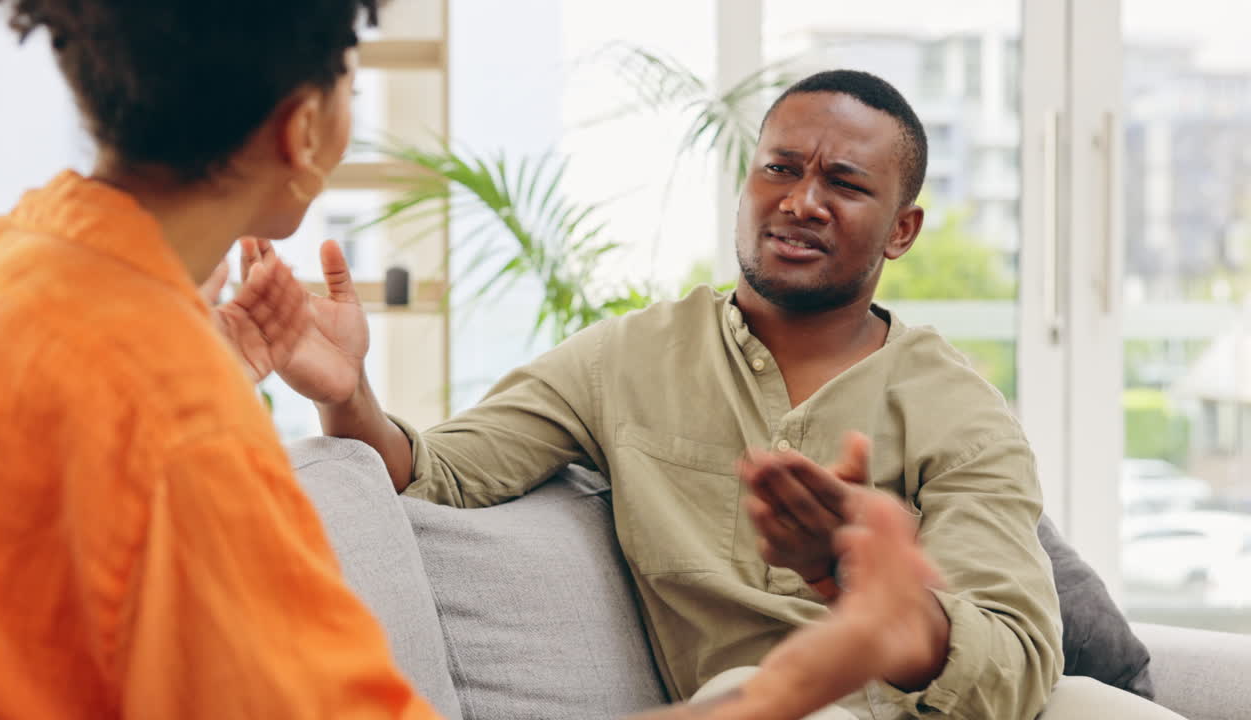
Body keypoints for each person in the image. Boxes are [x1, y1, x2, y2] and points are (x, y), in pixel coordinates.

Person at [0, 2, 966, 719]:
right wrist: (820, 666)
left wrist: (238, 373)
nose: (800, 200)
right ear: (304, 130)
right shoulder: (180, 426)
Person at [254, 69, 1189, 719]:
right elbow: (441, 474)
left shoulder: (962, 409)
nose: (801, 199)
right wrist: (349, 395)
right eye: (780, 167)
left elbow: (1020, 661)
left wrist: (883, 600)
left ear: (901, 230)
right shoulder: (627, 357)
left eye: (844, 182)